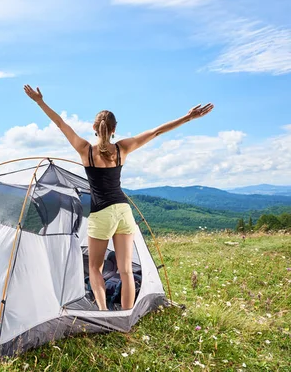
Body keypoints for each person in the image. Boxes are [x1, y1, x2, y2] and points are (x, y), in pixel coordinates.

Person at [23, 84, 214, 310]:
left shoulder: (86, 150)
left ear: (95, 128)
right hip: (123, 211)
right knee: (125, 270)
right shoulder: (122, 148)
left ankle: (104, 313)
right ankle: (126, 317)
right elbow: (156, 132)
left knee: (95, 268)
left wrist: (39, 102)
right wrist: (188, 117)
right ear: (114, 129)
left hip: (101, 213)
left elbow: (60, 124)